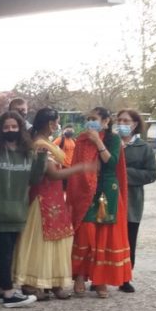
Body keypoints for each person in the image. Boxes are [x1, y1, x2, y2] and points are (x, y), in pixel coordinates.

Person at [13, 108, 95, 299]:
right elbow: (53, 173)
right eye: (57, 122)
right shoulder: (39, 144)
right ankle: (33, 283)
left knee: (59, 238)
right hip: (42, 197)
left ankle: (54, 282)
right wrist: (80, 168)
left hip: (55, 195)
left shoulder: (47, 141)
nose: (57, 125)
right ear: (51, 123)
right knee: (41, 241)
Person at [67, 107, 132, 298]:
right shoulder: (81, 140)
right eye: (88, 118)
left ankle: (100, 280)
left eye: (94, 118)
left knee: (105, 233)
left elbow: (111, 163)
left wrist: (98, 141)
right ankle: (79, 275)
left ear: (105, 121)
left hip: (107, 191)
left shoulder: (113, 139)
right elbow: (77, 167)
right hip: (86, 191)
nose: (90, 122)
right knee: (86, 233)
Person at [0, 112, 38, 308]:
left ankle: (4, 290)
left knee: (9, 252)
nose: (10, 130)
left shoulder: (28, 151)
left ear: (21, 128)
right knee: (4, 251)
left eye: (14, 127)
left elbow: (35, 179)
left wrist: (43, 157)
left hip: (19, 208)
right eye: (6, 127)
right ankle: (8, 291)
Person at [117, 109, 156, 293]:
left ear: (135, 124)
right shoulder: (109, 143)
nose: (122, 124)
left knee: (128, 240)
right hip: (108, 199)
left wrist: (125, 174)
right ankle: (99, 277)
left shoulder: (144, 148)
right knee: (105, 238)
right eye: (119, 120)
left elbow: (151, 174)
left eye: (126, 121)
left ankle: (125, 278)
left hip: (132, 201)